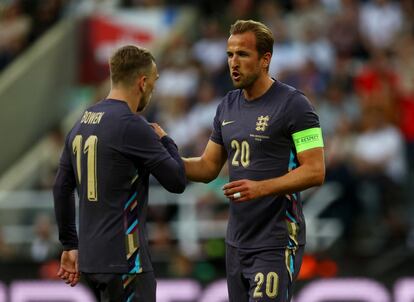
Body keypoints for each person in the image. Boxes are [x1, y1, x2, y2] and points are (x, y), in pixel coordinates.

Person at [183, 20, 325, 302]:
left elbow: (315, 170)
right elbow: (208, 167)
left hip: (276, 238)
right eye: (229, 55)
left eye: (243, 54)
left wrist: (261, 188)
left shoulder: (295, 105)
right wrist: (161, 156)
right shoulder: (227, 105)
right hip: (237, 241)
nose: (233, 63)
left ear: (265, 59)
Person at [53, 45, 186, 302]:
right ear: (142, 82)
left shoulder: (83, 121)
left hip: (92, 261)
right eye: (154, 83)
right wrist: (166, 139)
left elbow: (61, 188)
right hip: (127, 261)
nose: (153, 90)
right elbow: (177, 180)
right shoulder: (131, 125)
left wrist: (69, 245)